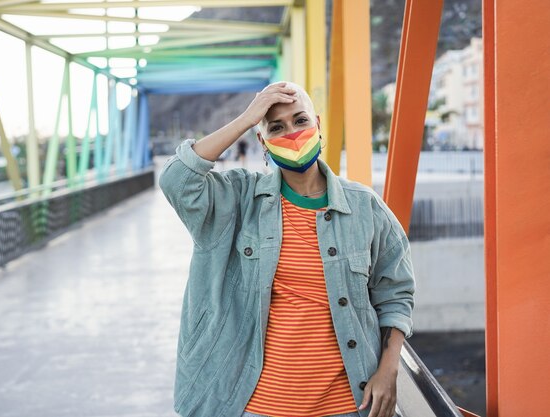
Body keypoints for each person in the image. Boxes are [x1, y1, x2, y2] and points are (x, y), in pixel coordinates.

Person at [159, 81, 415, 417]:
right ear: (262, 141)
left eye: (300, 120)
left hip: (347, 405)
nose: (292, 133)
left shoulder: (365, 207)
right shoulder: (236, 200)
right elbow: (177, 180)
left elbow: (396, 292)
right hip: (256, 406)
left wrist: (389, 368)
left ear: (318, 125)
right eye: (276, 127)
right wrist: (247, 119)